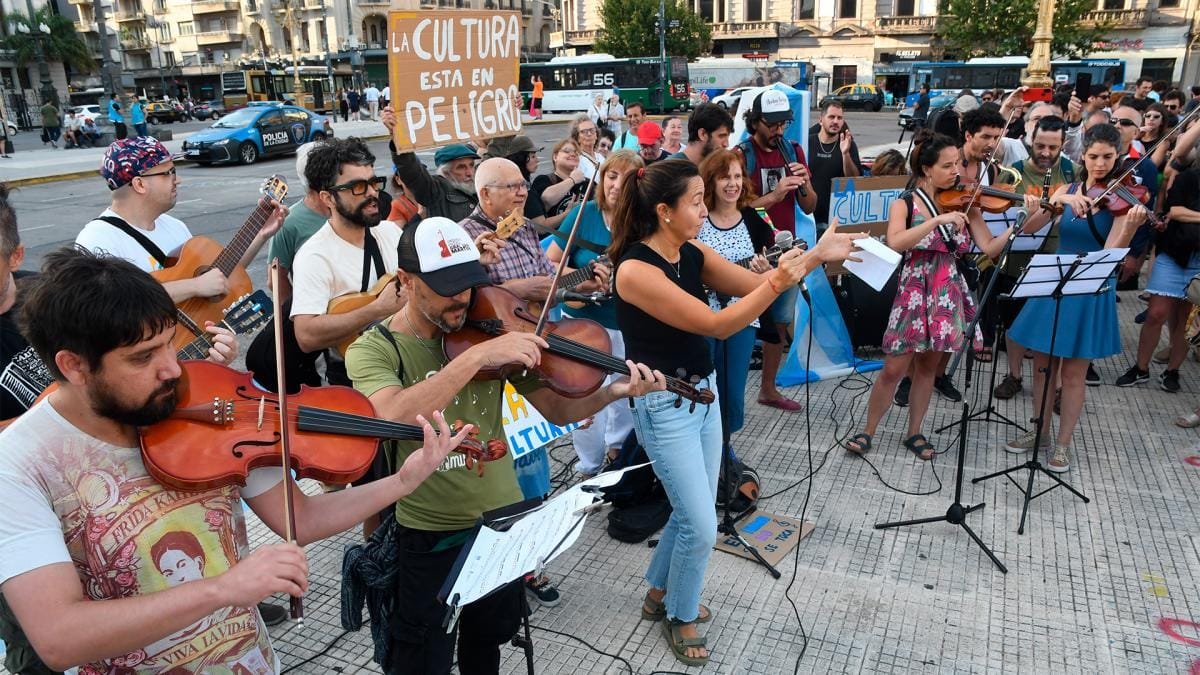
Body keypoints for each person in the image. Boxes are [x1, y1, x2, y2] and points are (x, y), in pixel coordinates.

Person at [0, 246, 466, 673]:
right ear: (73, 366)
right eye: (143, 358)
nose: (173, 368)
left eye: (168, 344)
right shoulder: (19, 463)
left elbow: (298, 519)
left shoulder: (204, 400)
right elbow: (59, 636)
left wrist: (401, 483)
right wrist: (225, 589)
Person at [344, 215, 664, 674]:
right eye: (446, 287)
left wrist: (615, 391)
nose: (462, 299)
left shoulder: (492, 326)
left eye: (469, 284)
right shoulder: (375, 348)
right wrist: (474, 358)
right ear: (406, 281)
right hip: (430, 531)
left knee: (487, 647)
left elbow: (558, 409)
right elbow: (390, 416)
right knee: (422, 658)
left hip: (502, 523)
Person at [608, 159, 861, 666]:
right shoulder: (635, 270)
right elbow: (717, 325)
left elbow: (750, 289)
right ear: (664, 211)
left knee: (691, 512)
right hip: (665, 407)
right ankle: (682, 616)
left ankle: (657, 594)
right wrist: (783, 276)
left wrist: (810, 258)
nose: (706, 210)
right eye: (697, 201)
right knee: (702, 525)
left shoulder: (690, 251)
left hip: (705, 398)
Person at [843, 131, 1023, 459]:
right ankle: (867, 430)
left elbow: (989, 249)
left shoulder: (967, 205)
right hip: (913, 289)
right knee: (894, 368)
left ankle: (915, 432)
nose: (957, 171)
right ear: (927, 169)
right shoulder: (905, 203)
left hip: (946, 290)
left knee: (928, 367)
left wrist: (1020, 225)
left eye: (958, 164)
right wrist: (938, 219)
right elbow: (896, 241)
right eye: (947, 165)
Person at [1003, 124, 1148, 471]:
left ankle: (1062, 444)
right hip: (1055, 282)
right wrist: (1057, 200)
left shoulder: (1124, 201)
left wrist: (1130, 226)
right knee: (1042, 368)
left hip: (1089, 286)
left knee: (1073, 375)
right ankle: (1038, 432)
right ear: (1082, 155)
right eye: (1094, 156)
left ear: (1118, 157)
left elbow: (1110, 253)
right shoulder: (1068, 188)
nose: (1100, 164)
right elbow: (1029, 227)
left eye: (1108, 157)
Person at [75, 137, 281, 302]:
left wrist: (260, 234)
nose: (178, 179)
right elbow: (107, 306)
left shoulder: (174, 227)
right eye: (168, 173)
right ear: (139, 184)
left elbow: (218, 276)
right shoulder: (97, 240)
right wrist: (194, 286)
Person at [544, 149, 641, 477]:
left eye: (626, 179)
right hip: (584, 324)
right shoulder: (583, 214)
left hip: (627, 323)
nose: (616, 185)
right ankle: (588, 466)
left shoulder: (644, 221)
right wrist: (582, 280)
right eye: (612, 176)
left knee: (623, 393)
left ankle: (618, 454)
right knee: (583, 395)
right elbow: (551, 261)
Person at [289, 138, 407, 384]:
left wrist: (472, 259)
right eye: (358, 187)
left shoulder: (390, 233)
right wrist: (376, 309)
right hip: (356, 378)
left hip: (407, 359)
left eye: (374, 183)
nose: (373, 193)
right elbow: (306, 335)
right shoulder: (314, 256)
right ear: (328, 198)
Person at [735, 89, 816, 412]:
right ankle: (731, 393)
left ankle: (768, 389)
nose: (779, 130)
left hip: (784, 252)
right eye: (772, 124)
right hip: (748, 255)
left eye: (783, 123)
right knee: (739, 323)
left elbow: (810, 206)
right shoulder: (742, 156)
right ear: (755, 122)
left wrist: (805, 184)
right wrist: (775, 195)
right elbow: (734, 209)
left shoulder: (792, 150)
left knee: (780, 322)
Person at [992, 116, 1080, 401]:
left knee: (1053, 324)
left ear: (1063, 144)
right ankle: (1014, 375)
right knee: (1014, 322)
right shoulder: (1012, 172)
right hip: (1017, 260)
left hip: (1057, 259)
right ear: (1031, 140)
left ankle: (1053, 388)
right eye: (1040, 145)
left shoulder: (1073, 172)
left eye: (1052, 147)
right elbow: (1000, 215)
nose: (1045, 152)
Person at [696, 149, 776, 463]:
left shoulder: (755, 221)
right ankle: (701, 445)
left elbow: (772, 267)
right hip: (701, 317)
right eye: (724, 177)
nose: (732, 183)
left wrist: (764, 270)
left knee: (731, 388)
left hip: (743, 318)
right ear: (710, 181)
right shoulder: (698, 219)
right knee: (701, 384)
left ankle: (724, 446)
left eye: (737, 176)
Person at [1113, 162, 1200, 393]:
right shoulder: (1188, 178)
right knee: (1155, 314)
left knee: (1185, 320)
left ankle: (1172, 371)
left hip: (1198, 261)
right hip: (1174, 253)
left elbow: (1184, 214)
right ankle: (1141, 368)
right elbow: (1175, 211)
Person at [807, 99, 862, 232]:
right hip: (809, 218)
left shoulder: (848, 145)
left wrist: (846, 154)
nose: (836, 121)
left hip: (834, 221)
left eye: (839, 118)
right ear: (821, 120)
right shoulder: (808, 142)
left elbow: (854, 179)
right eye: (831, 117)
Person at [484, 135, 546, 225]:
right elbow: (540, 226)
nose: (537, 160)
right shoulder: (518, 189)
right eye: (532, 156)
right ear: (521, 158)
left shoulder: (525, 183)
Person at [531, 138, 589, 228]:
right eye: (567, 151)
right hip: (554, 238)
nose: (573, 154)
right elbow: (547, 199)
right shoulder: (543, 180)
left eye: (576, 152)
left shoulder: (589, 183)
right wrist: (572, 179)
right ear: (555, 157)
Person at [569, 113, 602, 177]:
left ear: (596, 135)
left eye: (592, 130)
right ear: (577, 138)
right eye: (584, 131)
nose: (589, 134)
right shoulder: (576, 160)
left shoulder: (600, 157)